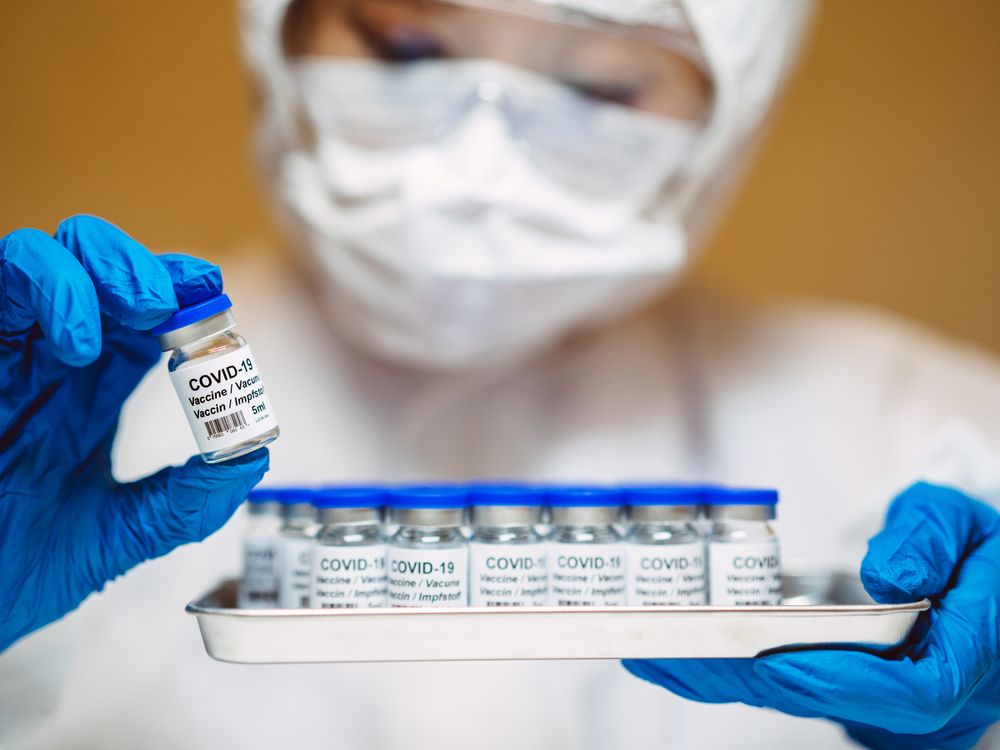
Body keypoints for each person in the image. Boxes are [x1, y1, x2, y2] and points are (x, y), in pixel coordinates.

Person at [1, 0, 998, 748]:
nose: (476, 167)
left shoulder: (932, 433)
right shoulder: (50, 419)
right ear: (279, 31)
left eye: (601, 88)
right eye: (400, 47)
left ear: (729, 115)